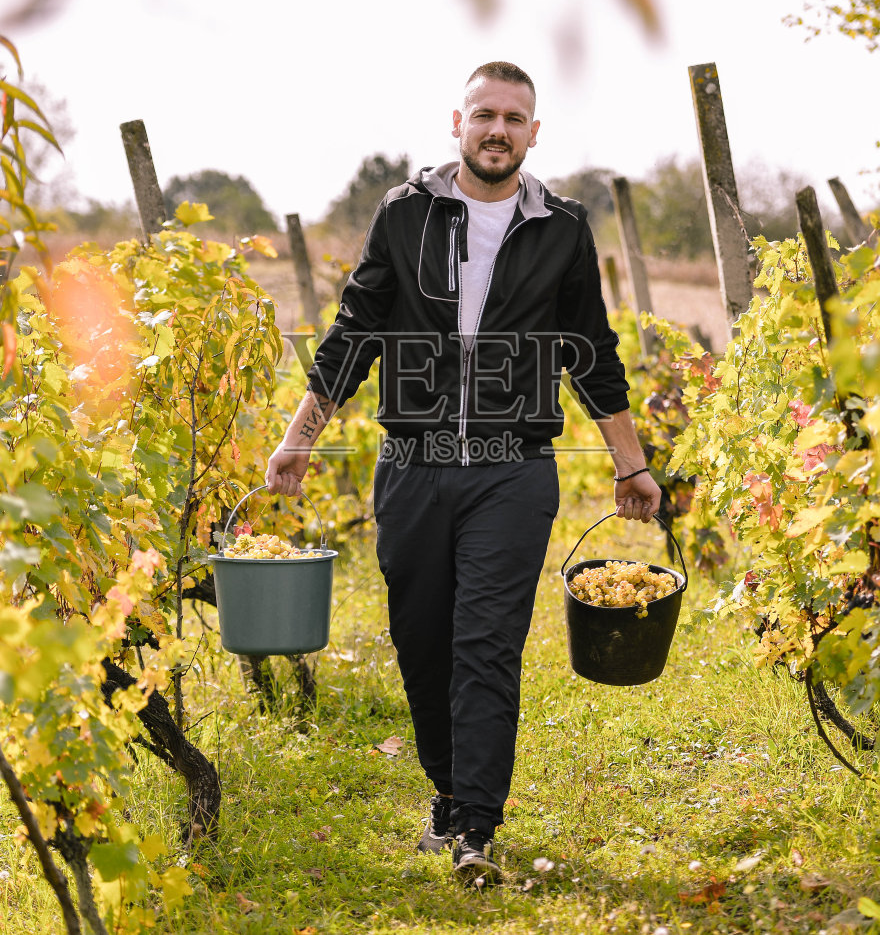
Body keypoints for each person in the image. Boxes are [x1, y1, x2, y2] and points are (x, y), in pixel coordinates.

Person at [264, 61, 660, 886]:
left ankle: (477, 824)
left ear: (535, 133)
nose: (498, 131)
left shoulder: (562, 228)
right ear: (457, 121)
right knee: (421, 640)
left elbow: (593, 353)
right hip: (412, 465)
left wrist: (632, 463)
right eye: (486, 114)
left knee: (487, 644)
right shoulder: (406, 214)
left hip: (512, 473)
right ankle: (447, 789)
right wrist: (300, 437)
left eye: (515, 119)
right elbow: (355, 330)